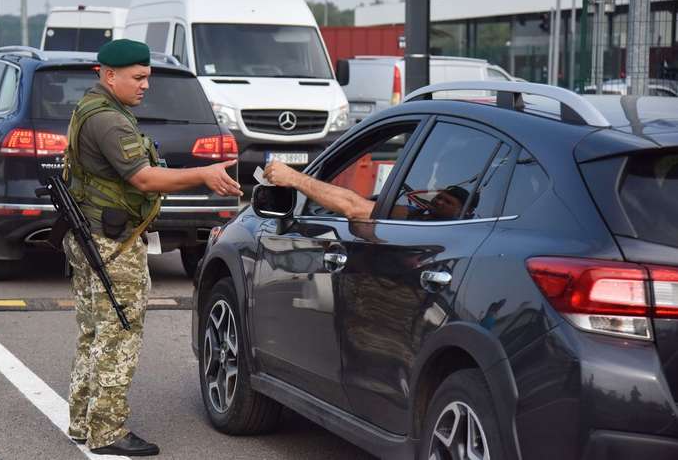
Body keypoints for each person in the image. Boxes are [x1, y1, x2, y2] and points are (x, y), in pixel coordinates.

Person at [63, 39, 242, 457]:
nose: (146, 86)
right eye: (138, 78)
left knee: (94, 332)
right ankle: (106, 432)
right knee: (119, 334)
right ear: (109, 75)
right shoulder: (109, 120)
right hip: (112, 244)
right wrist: (204, 175)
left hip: (91, 237)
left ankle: (82, 421)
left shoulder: (92, 107)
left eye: (147, 77)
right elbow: (143, 179)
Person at [263, 161, 476, 221]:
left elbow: (354, 207)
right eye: (439, 197)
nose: (439, 202)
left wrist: (294, 178)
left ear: (465, 213)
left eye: (448, 203)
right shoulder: (417, 215)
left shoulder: (436, 224)